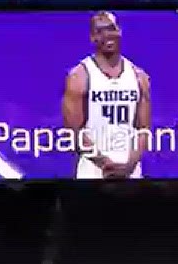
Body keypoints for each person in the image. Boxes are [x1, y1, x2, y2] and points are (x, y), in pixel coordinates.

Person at [62, 11, 150, 180]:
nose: (107, 35)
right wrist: (104, 163)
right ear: (92, 37)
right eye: (100, 31)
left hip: (131, 171)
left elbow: (143, 129)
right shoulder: (79, 76)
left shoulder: (139, 76)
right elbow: (73, 132)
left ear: (120, 31)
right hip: (93, 170)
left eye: (111, 28)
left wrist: (129, 165)